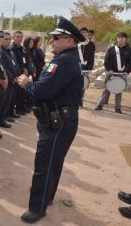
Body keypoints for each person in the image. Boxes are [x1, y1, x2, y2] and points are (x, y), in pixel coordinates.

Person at [17, 16, 85, 223]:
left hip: (59, 122)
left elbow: (41, 91)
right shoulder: (66, 58)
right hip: (60, 120)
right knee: (53, 163)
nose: (53, 41)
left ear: (70, 41)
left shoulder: (64, 61)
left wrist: (27, 83)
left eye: (57, 37)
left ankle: (37, 208)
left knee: (45, 165)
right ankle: (46, 198)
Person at [94, 32, 131, 114]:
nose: (120, 39)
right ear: (117, 39)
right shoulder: (111, 49)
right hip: (111, 72)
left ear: (126, 39)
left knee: (119, 90)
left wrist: (127, 71)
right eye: (119, 37)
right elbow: (107, 60)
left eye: (122, 38)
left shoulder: (129, 50)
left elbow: (130, 62)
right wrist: (109, 69)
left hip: (122, 74)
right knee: (107, 89)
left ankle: (117, 107)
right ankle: (100, 104)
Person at [0, 32, 19, 126]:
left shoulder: (10, 51)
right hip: (6, 81)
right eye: (6, 39)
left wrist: (17, 76)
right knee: (2, 103)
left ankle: (3, 118)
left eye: (9, 39)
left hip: (13, 81)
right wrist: (11, 78)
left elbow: (15, 65)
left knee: (8, 102)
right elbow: (4, 67)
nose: (8, 41)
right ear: (1, 39)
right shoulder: (0, 52)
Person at [11, 30, 29, 115]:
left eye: (21, 37)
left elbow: (24, 60)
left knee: (22, 92)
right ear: (13, 38)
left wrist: (26, 69)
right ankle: (15, 110)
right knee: (15, 94)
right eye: (17, 37)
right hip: (17, 74)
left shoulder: (22, 49)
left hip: (23, 73)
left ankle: (20, 107)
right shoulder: (12, 49)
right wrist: (22, 70)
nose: (19, 39)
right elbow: (14, 62)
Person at [78, 27, 95, 106]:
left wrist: (90, 68)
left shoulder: (91, 44)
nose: (84, 34)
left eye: (85, 32)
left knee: (83, 84)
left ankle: (80, 100)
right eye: (82, 32)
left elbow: (91, 57)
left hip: (85, 67)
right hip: (75, 66)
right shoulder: (76, 42)